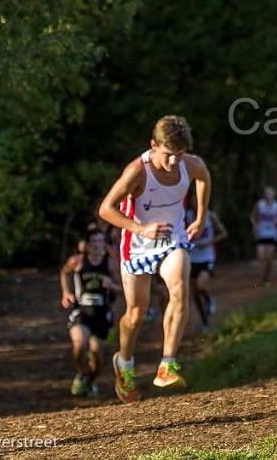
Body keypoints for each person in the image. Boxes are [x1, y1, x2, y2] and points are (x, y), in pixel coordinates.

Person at [98, 115, 211, 403]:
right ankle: (124, 364)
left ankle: (167, 364)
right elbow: (106, 209)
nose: (174, 162)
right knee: (136, 314)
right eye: (168, 155)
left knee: (179, 288)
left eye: (180, 155)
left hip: (172, 240)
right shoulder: (138, 170)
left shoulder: (190, 164)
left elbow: (204, 178)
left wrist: (199, 218)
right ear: (153, 145)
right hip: (136, 246)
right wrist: (140, 228)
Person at [60, 224, 121, 398]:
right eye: (93, 241)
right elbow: (64, 273)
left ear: (105, 245)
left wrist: (113, 286)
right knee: (79, 343)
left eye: (100, 241)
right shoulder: (77, 261)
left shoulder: (110, 265)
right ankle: (81, 374)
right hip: (82, 310)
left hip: (102, 312)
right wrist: (66, 292)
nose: (96, 244)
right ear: (86, 244)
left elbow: (123, 289)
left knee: (97, 357)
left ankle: (91, 381)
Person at [186, 204, 227, 334]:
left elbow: (223, 233)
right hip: (191, 258)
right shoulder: (186, 216)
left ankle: (209, 298)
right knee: (195, 294)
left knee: (200, 286)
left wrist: (209, 242)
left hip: (207, 258)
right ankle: (204, 321)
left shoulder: (210, 215)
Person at [251, 186, 277, 287]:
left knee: (269, 259)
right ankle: (263, 277)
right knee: (260, 258)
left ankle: (266, 278)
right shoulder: (260, 204)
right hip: (261, 234)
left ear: (274, 194)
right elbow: (252, 216)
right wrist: (255, 225)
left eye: (270, 193)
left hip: (272, 234)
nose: (268, 195)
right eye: (266, 193)